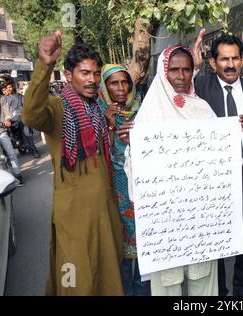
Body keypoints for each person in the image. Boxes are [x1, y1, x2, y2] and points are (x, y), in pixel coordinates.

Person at [23, 31, 124, 295]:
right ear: (69, 75)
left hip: (105, 212)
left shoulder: (97, 110)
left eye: (95, 74)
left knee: (108, 276)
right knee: (75, 281)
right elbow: (32, 114)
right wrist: (44, 65)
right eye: (84, 73)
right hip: (74, 218)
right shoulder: (58, 109)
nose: (92, 80)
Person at [127, 45, 218, 296]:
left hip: (200, 215)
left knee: (203, 277)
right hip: (165, 219)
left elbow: (219, 157)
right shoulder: (149, 114)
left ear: (193, 72)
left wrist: (233, 132)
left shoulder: (203, 110)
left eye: (186, 70)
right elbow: (135, 163)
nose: (180, 76)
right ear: (163, 72)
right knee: (167, 281)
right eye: (174, 70)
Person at [194, 33, 243, 296]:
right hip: (212, 181)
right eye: (223, 59)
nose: (230, 64)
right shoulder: (199, 88)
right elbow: (171, 93)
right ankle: (219, 291)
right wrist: (194, 64)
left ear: (242, 60)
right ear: (213, 62)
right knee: (215, 240)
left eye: (235, 58)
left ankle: (242, 290)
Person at [97, 64, 150, 296]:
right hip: (112, 189)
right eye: (114, 83)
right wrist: (109, 126)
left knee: (144, 243)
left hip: (141, 188)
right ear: (104, 86)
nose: (120, 88)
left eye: (125, 82)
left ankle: (142, 290)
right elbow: (95, 154)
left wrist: (138, 136)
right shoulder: (96, 111)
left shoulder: (143, 109)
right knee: (116, 245)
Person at [3, 81, 41, 159]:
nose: (9, 89)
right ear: (6, 89)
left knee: (27, 133)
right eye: (8, 88)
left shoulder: (20, 97)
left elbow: (26, 107)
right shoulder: (4, 99)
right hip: (11, 120)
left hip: (22, 117)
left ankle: (34, 151)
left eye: (10, 87)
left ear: (13, 87)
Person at [0, 84, 24, 185]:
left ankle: (18, 175)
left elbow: (7, 113)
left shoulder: (2, 99)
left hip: (1, 130)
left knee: (11, 152)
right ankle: (3, 179)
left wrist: (7, 119)